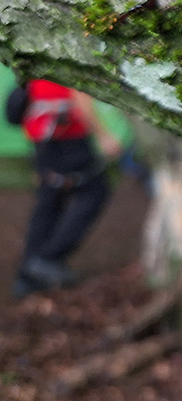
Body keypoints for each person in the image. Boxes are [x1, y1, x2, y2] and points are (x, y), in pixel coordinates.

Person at [13, 80, 122, 298]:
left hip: (43, 137)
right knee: (94, 191)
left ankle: (27, 276)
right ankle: (48, 259)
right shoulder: (67, 55)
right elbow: (79, 95)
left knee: (49, 201)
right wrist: (103, 136)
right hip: (67, 137)